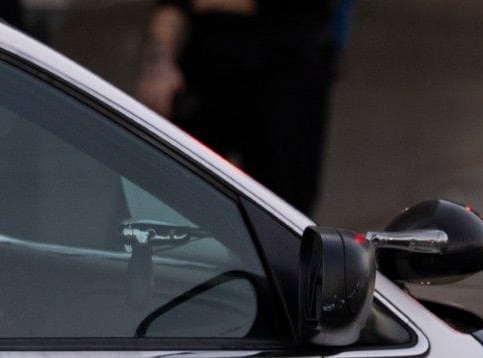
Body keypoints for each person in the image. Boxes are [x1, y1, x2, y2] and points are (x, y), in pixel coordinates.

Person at [136, 0, 339, 215]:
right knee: (177, 188)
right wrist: (159, 64)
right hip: (209, 71)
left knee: (282, 207)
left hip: (287, 78)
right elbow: (172, 6)